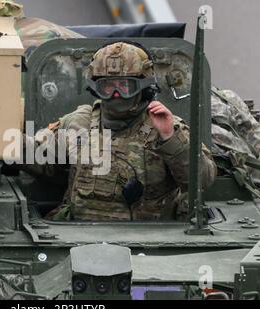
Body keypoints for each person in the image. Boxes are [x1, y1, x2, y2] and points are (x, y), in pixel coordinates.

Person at [28, 42, 217, 221]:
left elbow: (201, 181)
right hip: (80, 235)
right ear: (95, 88)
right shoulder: (79, 122)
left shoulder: (165, 125)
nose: (116, 94)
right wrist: (1, 142)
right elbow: (38, 157)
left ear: (144, 87)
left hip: (148, 239)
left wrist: (170, 137)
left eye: (125, 86)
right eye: (107, 86)